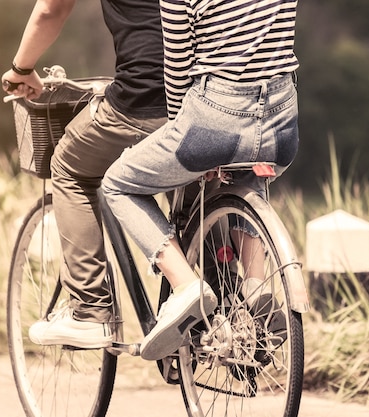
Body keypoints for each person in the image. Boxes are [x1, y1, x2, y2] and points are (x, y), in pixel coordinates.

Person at [101, 0, 300, 361]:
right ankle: (256, 285)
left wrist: (189, 139)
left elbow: (177, 66)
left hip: (216, 116)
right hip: (282, 124)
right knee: (246, 169)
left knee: (117, 183)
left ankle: (185, 285)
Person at [1, 0, 168, 348]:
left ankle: (90, 310)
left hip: (142, 100)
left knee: (68, 166)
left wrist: (21, 68)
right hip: (210, 94)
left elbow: (52, 9)